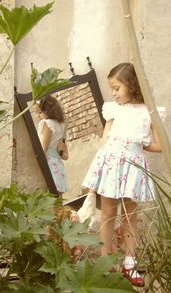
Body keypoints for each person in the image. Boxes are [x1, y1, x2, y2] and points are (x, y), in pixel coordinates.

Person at [81, 62, 166, 287]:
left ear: (131, 85)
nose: (114, 93)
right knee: (108, 213)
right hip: (111, 163)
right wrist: (94, 177)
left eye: (117, 88)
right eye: (112, 89)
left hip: (132, 166)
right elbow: (105, 139)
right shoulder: (113, 109)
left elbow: (159, 145)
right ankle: (104, 262)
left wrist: (139, 144)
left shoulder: (149, 111)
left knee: (130, 217)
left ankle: (129, 262)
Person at [33, 95, 69, 196]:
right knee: (58, 201)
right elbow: (65, 156)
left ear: (48, 110)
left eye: (39, 112)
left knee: (50, 202)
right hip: (57, 164)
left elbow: (43, 149)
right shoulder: (60, 125)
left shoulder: (46, 123)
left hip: (48, 164)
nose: (38, 116)